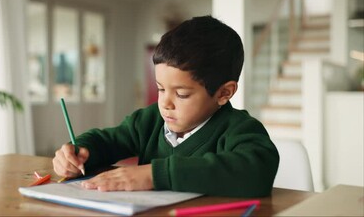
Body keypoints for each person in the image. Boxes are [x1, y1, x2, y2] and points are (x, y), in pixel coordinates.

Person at [52, 15, 279, 197]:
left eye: (181, 94)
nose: (165, 102)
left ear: (223, 93)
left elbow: (257, 172)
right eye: (161, 89)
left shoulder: (239, 128)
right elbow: (107, 141)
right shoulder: (149, 121)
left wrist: (154, 174)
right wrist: (79, 152)